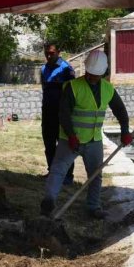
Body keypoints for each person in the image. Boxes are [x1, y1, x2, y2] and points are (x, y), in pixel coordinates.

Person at [40, 50, 132, 219]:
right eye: (89, 73)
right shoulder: (73, 87)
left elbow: (120, 110)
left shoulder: (108, 89)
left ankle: (93, 207)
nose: (91, 77)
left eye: (95, 75)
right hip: (70, 139)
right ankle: (49, 201)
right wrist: (71, 135)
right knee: (58, 170)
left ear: (103, 74)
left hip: (94, 140)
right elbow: (64, 114)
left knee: (95, 175)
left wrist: (125, 131)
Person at [40, 42, 76, 185]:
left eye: (52, 53)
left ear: (58, 52)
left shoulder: (66, 69)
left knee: (65, 145)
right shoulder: (43, 69)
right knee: (49, 143)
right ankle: (52, 171)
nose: (49, 56)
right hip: (47, 112)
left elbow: (73, 91)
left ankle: (67, 176)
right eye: (46, 53)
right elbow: (44, 88)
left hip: (62, 113)